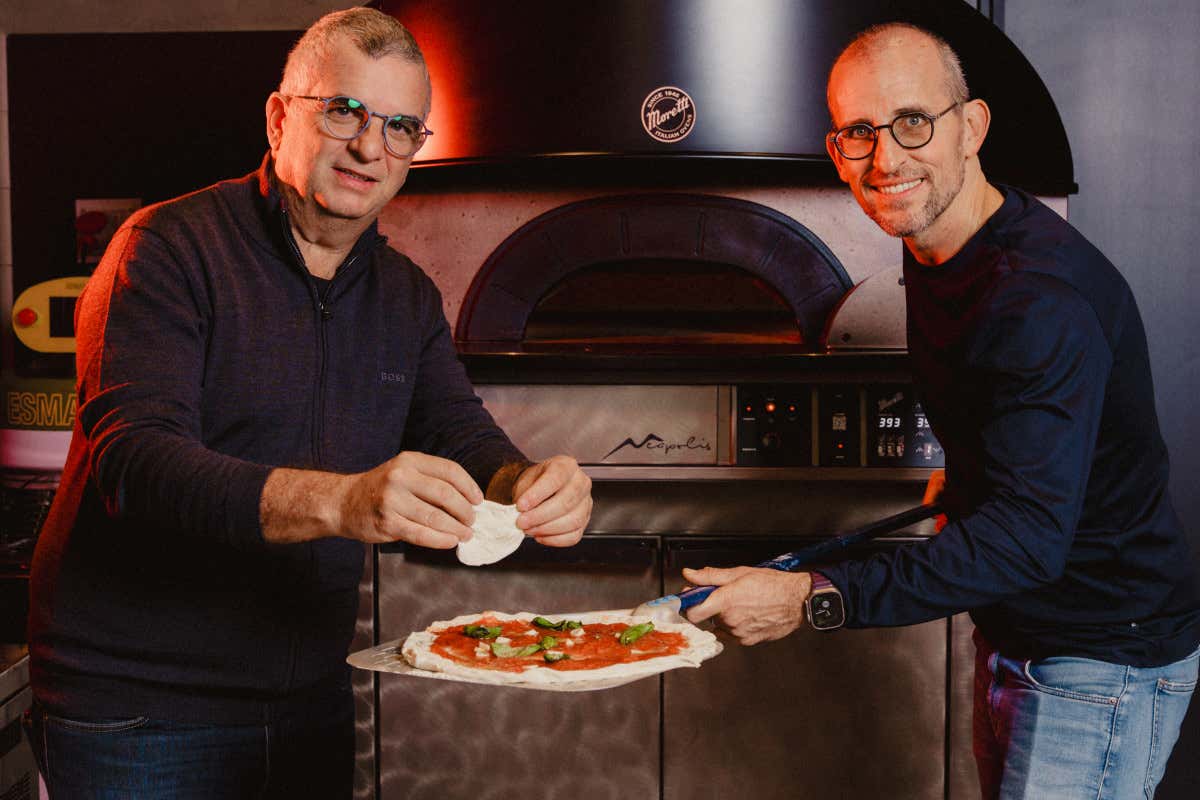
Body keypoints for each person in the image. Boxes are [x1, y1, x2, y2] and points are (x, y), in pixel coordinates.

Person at [24, 8, 592, 798]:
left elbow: (460, 431)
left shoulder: (404, 297)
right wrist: (344, 501)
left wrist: (526, 484)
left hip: (306, 701)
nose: (370, 147)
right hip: (140, 711)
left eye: (400, 127)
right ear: (279, 115)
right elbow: (137, 463)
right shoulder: (167, 249)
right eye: (344, 111)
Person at [684, 22, 1200, 800]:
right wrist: (970, 485)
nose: (886, 159)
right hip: (1025, 630)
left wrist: (809, 597)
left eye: (913, 123)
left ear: (972, 128)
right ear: (837, 152)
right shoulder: (940, 243)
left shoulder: (1037, 301)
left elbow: (1027, 542)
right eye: (859, 133)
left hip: (1099, 658)